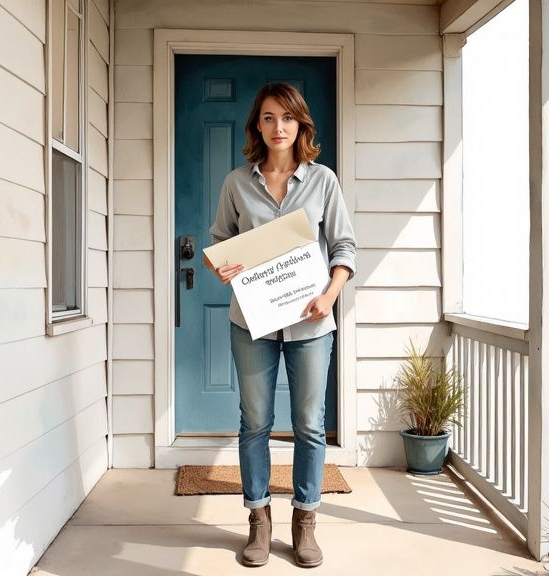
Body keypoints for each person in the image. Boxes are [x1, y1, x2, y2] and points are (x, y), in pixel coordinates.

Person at [204, 82, 356, 568]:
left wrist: (329, 295)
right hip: (252, 322)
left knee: (310, 425)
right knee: (255, 424)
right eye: (268, 118)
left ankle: (305, 520)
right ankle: (258, 520)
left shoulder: (323, 182)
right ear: (257, 125)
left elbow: (344, 249)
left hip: (312, 324)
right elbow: (220, 244)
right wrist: (222, 265)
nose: (278, 127)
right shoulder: (236, 183)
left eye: (287, 118)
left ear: (301, 125)